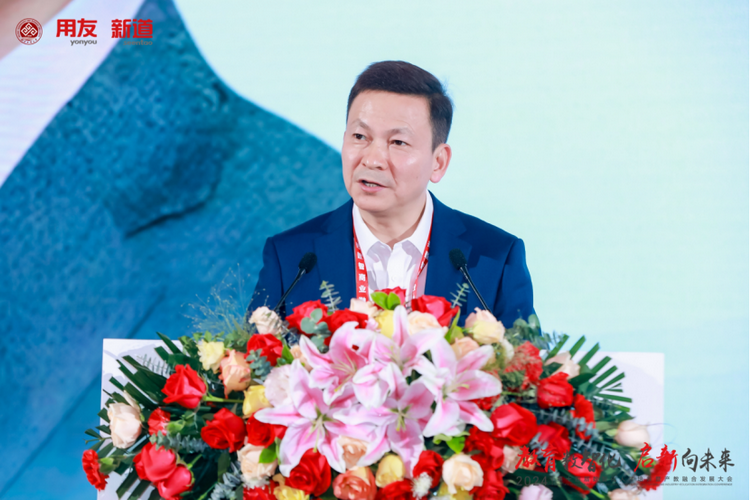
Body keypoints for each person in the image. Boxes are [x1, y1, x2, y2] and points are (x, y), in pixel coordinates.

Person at [248, 60, 534, 328]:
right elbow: (252, 359)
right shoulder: (291, 259)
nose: (372, 159)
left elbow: (523, 361)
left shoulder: (495, 258)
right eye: (360, 137)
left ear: (438, 162)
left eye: (398, 142)